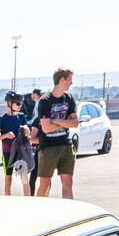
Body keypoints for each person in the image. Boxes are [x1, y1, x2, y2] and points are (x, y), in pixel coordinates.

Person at [35, 69, 79, 198]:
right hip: (48, 147)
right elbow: (46, 129)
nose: (72, 82)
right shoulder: (45, 100)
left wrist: (56, 121)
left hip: (66, 145)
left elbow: (75, 123)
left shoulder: (69, 98)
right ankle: (37, 211)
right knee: (45, 184)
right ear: (62, 80)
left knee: (68, 182)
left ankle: (69, 211)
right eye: (70, 79)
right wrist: (65, 122)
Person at [0, 93, 31, 196]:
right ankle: (8, 200)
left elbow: (27, 131)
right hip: (8, 153)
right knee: (8, 178)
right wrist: (5, 135)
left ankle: (27, 200)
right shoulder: (2, 119)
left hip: (21, 151)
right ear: (9, 103)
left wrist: (27, 130)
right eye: (18, 103)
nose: (20, 106)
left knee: (24, 178)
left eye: (21, 104)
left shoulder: (21, 117)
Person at [26, 89, 44, 195]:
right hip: (39, 151)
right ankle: (31, 197)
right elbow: (32, 139)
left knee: (46, 179)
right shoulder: (37, 121)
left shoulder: (51, 119)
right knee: (33, 176)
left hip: (49, 152)